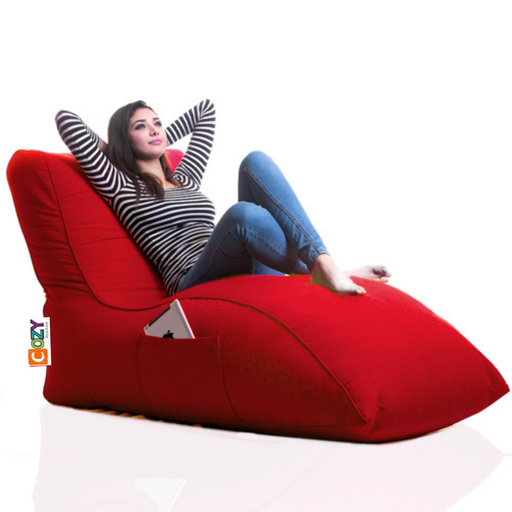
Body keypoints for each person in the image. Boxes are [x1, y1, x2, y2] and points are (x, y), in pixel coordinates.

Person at [55, 99, 390, 296]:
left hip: (245, 265)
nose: (155, 129)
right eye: (141, 126)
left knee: (255, 161)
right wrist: (117, 150)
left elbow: (205, 111)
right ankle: (324, 268)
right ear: (123, 140)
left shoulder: (184, 178)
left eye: (158, 123)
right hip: (192, 278)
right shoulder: (119, 184)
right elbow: (66, 121)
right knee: (243, 215)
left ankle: (323, 263)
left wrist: (157, 134)